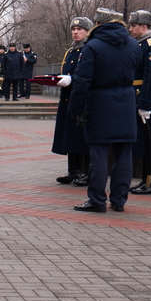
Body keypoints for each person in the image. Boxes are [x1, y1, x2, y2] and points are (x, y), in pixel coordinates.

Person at [69, 8, 141, 212]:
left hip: (99, 102)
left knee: (99, 156)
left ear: (99, 24)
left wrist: (76, 107)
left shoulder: (93, 46)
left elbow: (82, 80)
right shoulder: (134, 44)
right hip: (126, 102)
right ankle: (119, 200)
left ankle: (97, 200)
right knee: (124, 155)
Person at [128, 11, 151, 195]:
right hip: (138, 95)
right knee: (144, 141)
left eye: (134, 26)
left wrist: (144, 103)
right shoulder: (140, 44)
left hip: (147, 97)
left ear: (144, 27)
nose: (131, 29)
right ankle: (145, 180)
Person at [51, 17, 91, 185]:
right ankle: (73, 171)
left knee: (83, 137)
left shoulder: (89, 49)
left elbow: (88, 75)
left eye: (80, 29)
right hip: (69, 98)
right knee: (71, 135)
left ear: (87, 31)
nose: (75, 32)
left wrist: (72, 79)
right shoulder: (71, 51)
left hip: (83, 98)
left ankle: (86, 172)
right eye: (73, 29)